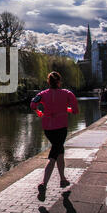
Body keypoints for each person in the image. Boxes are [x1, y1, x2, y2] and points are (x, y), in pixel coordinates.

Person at [30, 71, 79, 199]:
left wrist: (40, 112)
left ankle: (63, 179)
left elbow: (32, 104)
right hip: (61, 127)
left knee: (60, 151)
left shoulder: (42, 94)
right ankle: (43, 183)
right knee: (54, 154)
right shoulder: (67, 94)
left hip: (48, 129)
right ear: (59, 82)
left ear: (48, 82)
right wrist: (66, 109)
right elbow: (75, 111)